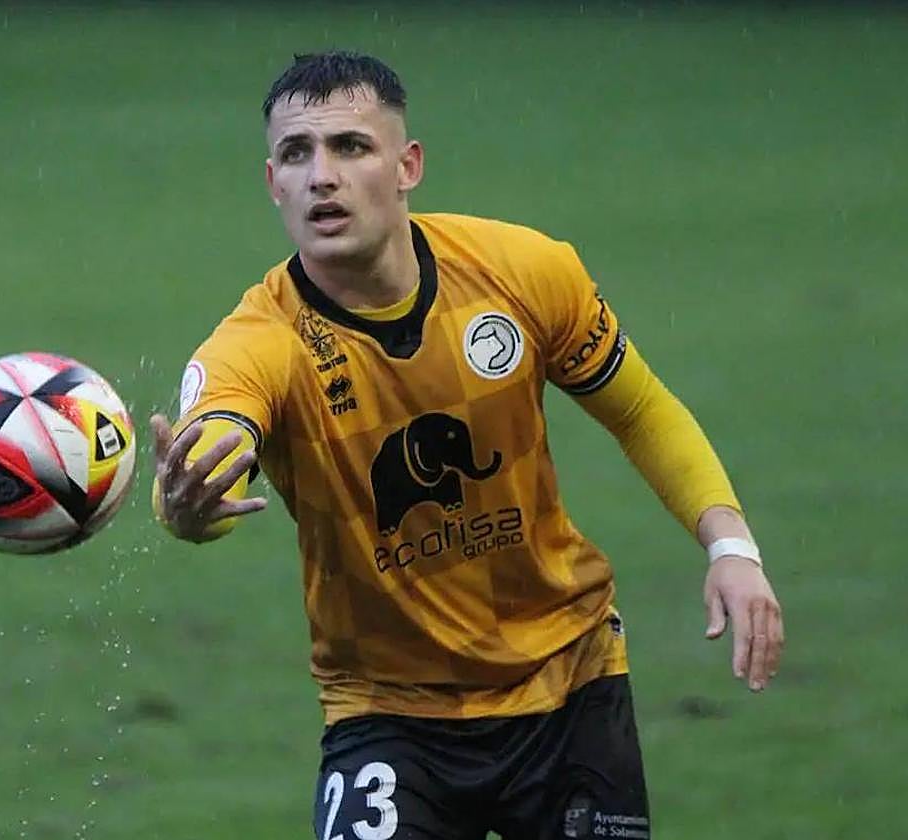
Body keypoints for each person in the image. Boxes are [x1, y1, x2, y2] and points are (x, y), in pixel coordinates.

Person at [150, 51, 784, 840]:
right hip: (386, 711)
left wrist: (733, 549)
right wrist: (188, 509)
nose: (322, 176)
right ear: (271, 181)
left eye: (351, 147)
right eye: (296, 154)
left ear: (408, 165)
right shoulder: (256, 343)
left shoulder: (524, 272)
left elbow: (642, 411)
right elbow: (212, 455)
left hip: (567, 677)